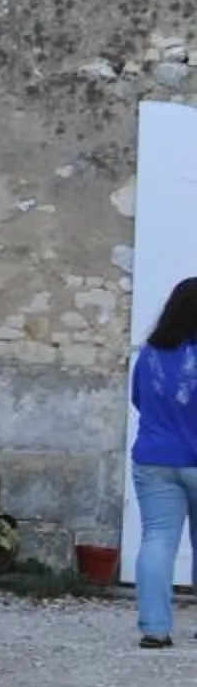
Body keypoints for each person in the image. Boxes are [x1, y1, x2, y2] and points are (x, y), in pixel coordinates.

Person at [130, 276, 197, 647]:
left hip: (155, 458)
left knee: (157, 539)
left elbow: (139, 400)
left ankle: (155, 629)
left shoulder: (150, 353)